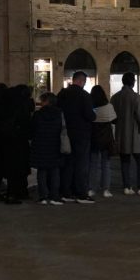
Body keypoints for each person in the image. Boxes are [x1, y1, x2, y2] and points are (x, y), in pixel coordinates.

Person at [111, 71, 140, 196]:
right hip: (135, 134)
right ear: (133, 82)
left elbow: (112, 116)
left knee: (125, 160)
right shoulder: (135, 97)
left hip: (121, 133)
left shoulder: (115, 97)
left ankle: (127, 186)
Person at [57, 70, 97, 203]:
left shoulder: (62, 94)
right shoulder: (84, 95)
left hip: (65, 134)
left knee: (68, 163)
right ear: (81, 81)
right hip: (81, 134)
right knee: (81, 164)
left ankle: (66, 192)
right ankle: (81, 193)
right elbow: (90, 115)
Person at [30, 92, 65, 205]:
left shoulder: (38, 114)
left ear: (46, 101)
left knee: (42, 171)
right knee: (55, 171)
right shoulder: (59, 114)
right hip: (55, 145)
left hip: (40, 146)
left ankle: (43, 196)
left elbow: (32, 131)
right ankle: (54, 196)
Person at [89, 85, 117, 199]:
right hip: (107, 139)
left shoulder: (91, 107)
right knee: (106, 164)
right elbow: (115, 119)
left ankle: (91, 188)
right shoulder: (109, 106)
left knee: (93, 164)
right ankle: (106, 189)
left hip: (94, 138)